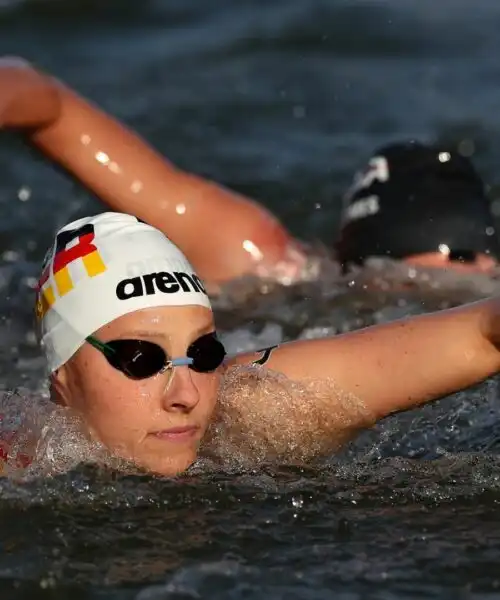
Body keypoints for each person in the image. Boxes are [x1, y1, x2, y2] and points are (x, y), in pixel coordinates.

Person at [10, 210, 500, 477]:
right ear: (64, 378)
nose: (185, 395)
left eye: (203, 355)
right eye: (142, 359)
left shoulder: (252, 411)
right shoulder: (18, 463)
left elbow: (483, 334)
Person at [0, 57, 498, 291]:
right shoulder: (262, 264)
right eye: (459, 255)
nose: (476, 273)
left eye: (484, 260)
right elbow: (53, 108)